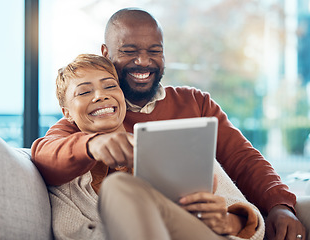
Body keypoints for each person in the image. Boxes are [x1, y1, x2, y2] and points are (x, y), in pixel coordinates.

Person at [31, 8, 307, 240]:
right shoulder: (87, 122)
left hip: (201, 226)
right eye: (129, 51)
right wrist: (94, 143)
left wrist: (279, 204)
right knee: (121, 189)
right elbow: (45, 154)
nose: (143, 61)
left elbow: (242, 159)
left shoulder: (195, 105)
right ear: (106, 53)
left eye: (155, 51)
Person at [47, 53, 264, 239]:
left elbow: (252, 226)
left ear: (121, 95)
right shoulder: (68, 176)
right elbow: (71, 233)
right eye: (84, 92)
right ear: (67, 113)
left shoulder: (176, 147)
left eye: (110, 86)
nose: (100, 95)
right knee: (118, 186)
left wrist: (226, 222)